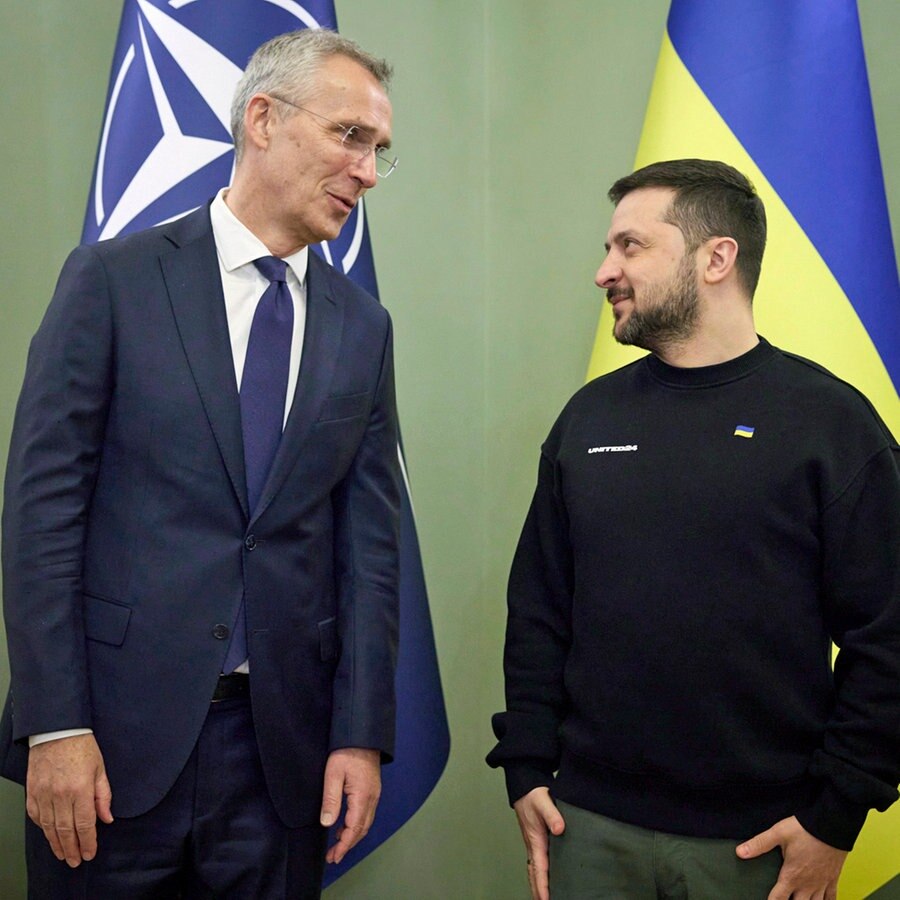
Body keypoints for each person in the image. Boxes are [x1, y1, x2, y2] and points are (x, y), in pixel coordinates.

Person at [1, 28, 401, 898]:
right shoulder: (111, 282)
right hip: (111, 747)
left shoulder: (361, 327)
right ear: (263, 118)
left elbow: (370, 547)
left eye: (379, 152)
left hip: (282, 760)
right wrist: (53, 725)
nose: (368, 172)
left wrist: (360, 732)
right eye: (350, 137)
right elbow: (42, 517)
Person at [487, 159, 900, 899]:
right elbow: (540, 610)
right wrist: (524, 764)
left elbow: (890, 636)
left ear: (717, 257)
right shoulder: (589, 418)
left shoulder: (830, 425)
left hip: (761, 843)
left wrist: (837, 814)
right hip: (585, 824)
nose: (603, 271)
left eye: (630, 247)